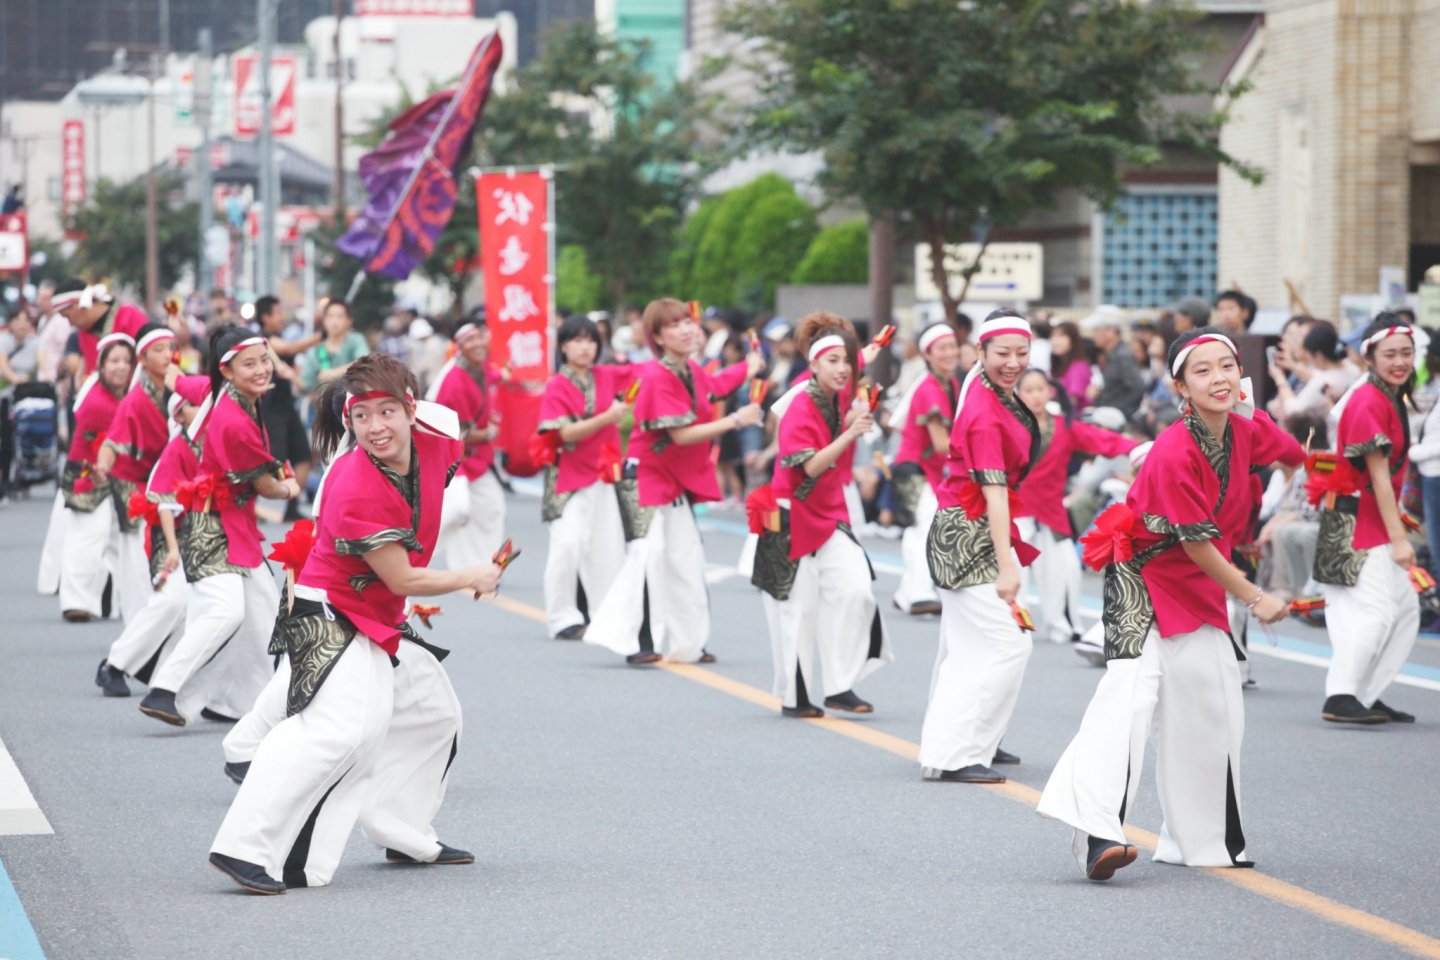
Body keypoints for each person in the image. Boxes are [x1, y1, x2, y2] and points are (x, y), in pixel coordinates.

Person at [209, 354, 502, 895]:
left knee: (433, 713)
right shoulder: (353, 485)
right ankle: (245, 845)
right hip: (332, 610)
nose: (376, 427)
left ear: (412, 410)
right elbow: (402, 579)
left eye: (388, 411)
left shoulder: (437, 431)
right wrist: (472, 575)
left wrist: (368, 371)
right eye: (361, 415)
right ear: (349, 422)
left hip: (376, 613)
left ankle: (402, 831)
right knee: (338, 729)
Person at [1037, 327, 1301, 882]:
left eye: (1227, 366)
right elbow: (1196, 543)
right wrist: (1255, 597)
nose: (1219, 378)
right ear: (1179, 386)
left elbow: (1294, 456)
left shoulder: (1242, 429)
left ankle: (1199, 841)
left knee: (1213, 706)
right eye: (1202, 371)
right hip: (1141, 572)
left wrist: (1251, 405)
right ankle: (1098, 832)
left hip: (1196, 584)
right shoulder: (1173, 449)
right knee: (1129, 698)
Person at [584, 298, 763, 666]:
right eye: (674, 325)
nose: (686, 329)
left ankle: (689, 642)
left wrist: (748, 368)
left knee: (686, 558)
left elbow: (714, 384)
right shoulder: (655, 375)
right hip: (643, 478)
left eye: (688, 322)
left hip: (671, 480)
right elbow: (681, 436)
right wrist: (736, 421)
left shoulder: (688, 369)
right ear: (658, 338)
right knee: (647, 558)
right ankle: (640, 642)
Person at [137, 327, 301, 727]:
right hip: (211, 527)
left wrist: (169, 364)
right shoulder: (233, 422)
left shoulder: (215, 391)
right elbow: (266, 487)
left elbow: (178, 378)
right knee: (227, 612)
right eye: (250, 364)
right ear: (227, 371)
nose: (262, 370)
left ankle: (241, 705)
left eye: (265, 359)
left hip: (232, 522)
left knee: (262, 616)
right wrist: (291, 487)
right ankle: (165, 688)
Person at [918, 311, 1039, 784]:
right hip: (966, 535)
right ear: (981, 354)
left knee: (971, 646)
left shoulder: (991, 393)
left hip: (967, 528)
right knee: (1006, 643)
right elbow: (993, 491)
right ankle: (957, 751)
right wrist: (1007, 565)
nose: (1013, 362)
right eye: (1002, 354)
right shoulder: (986, 410)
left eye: (1021, 353)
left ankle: (962, 747)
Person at [754, 325, 891, 717]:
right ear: (812, 362)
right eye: (833, 360)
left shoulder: (840, 389)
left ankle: (839, 683)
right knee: (799, 609)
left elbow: (862, 357)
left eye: (846, 360)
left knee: (856, 590)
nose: (843, 367)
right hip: (789, 511)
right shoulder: (799, 405)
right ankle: (796, 697)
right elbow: (810, 467)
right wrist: (850, 433)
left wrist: (876, 344)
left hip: (828, 512)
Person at [1312, 316, 1421, 725]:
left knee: (1405, 608)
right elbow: (1377, 476)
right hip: (1356, 518)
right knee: (1374, 611)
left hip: (1373, 515)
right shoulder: (1367, 400)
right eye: (1390, 354)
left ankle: (1365, 693)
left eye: (1406, 354)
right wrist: (1400, 539)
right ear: (1369, 356)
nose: (1399, 362)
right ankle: (1340, 695)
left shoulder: (1388, 394)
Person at [95, 374, 210, 697]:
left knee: (198, 606)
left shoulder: (210, 446)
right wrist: (173, 549)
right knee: (171, 601)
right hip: (166, 537)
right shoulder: (177, 450)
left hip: (199, 538)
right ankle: (115, 664)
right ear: (179, 414)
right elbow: (162, 504)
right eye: (195, 406)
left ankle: (155, 668)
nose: (203, 412)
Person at [1014, 369, 1138, 645]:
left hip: (1051, 512)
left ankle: (1064, 625)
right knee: (1014, 574)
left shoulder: (1064, 427)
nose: (1035, 395)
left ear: (1050, 392)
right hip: (1015, 512)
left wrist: (1143, 447)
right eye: (1028, 390)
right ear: (1018, 394)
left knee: (1066, 570)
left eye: (1040, 389)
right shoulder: (1009, 426)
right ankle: (1016, 626)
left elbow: (1105, 441)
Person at [536, 315, 633, 640]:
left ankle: (606, 617)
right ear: (563, 346)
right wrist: (607, 416)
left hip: (603, 474)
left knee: (607, 548)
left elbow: (648, 374)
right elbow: (563, 433)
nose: (585, 347)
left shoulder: (605, 375)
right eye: (577, 340)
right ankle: (562, 617)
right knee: (569, 543)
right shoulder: (557, 385)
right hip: (567, 478)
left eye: (591, 341)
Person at [93, 323, 180, 627]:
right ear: (142, 359)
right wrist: (103, 465)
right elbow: (110, 443)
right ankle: (139, 623)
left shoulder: (179, 387)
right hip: (134, 483)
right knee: (137, 555)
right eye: (158, 350)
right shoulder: (136, 400)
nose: (167, 355)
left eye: (170, 347)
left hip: (169, 481)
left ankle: (159, 622)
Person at [56, 332, 135, 621]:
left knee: (117, 540)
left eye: (127, 360)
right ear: (101, 366)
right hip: (88, 474)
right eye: (114, 360)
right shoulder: (98, 401)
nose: (122, 366)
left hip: (117, 474)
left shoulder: (127, 395)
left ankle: (117, 603)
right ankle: (76, 601)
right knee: (88, 536)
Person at [890, 323, 960, 617]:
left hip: (927, 470)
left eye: (952, 346)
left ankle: (907, 592)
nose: (950, 353)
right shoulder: (930, 388)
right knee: (923, 527)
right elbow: (942, 443)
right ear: (927, 354)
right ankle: (917, 593)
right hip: (912, 469)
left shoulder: (950, 383)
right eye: (941, 348)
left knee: (926, 527)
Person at [429, 319, 506, 569]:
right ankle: (417, 552)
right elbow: (457, 432)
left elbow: (498, 376)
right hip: (453, 457)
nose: (477, 344)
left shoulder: (480, 368)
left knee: (492, 507)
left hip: (476, 458)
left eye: (479, 337)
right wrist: (487, 433)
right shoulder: (454, 381)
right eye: (469, 340)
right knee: (457, 510)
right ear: (460, 347)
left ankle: (484, 565)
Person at [255, 295, 321, 518]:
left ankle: (291, 506)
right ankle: (250, 505)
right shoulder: (265, 340)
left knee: (303, 456)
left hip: (288, 407)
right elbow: (291, 348)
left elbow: (293, 362)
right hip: (271, 409)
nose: (281, 317)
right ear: (265, 317)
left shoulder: (279, 337)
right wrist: (321, 336)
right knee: (275, 461)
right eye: (277, 313)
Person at [1267, 322, 1359, 426]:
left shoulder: (1322, 380)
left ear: (1318, 356)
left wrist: (1279, 379)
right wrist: (1292, 365)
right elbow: (1312, 375)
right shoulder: (1352, 368)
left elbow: (1293, 411)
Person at [0, 309, 41, 502]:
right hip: (5, 396)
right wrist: (15, 378)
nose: (23, 324)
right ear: (11, 324)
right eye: (18, 320)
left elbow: (44, 363)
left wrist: (47, 376)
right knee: (6, 439)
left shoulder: (35, 342)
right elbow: (3, 365)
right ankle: (5, 479)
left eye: (26, 320)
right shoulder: (4, 341)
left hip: (26, 395)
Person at [1082, 307, 1145, 415]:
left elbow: (1137, 388)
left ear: (1110, 332)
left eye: (1096, 330)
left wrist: (1116, 413)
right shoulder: (1112, 355)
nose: (1094, 335)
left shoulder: (1122, 356)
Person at [299, 300, 370, 395]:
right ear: (324, 320)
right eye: (330, 316)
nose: (334, 321)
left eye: (340, 316)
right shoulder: (316, 351)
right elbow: (307, 386)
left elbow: (365, 362)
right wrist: (291, 375)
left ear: (349, 321)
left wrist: (331, 374)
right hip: (326, 406)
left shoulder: (356, 340)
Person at [1048, 321, 1092, 412]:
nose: (1055, 340)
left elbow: (1072, 401)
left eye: (1061, 336)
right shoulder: (1058, 365)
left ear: (1073, 339)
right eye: (1053, 336)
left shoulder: (1078, 366)